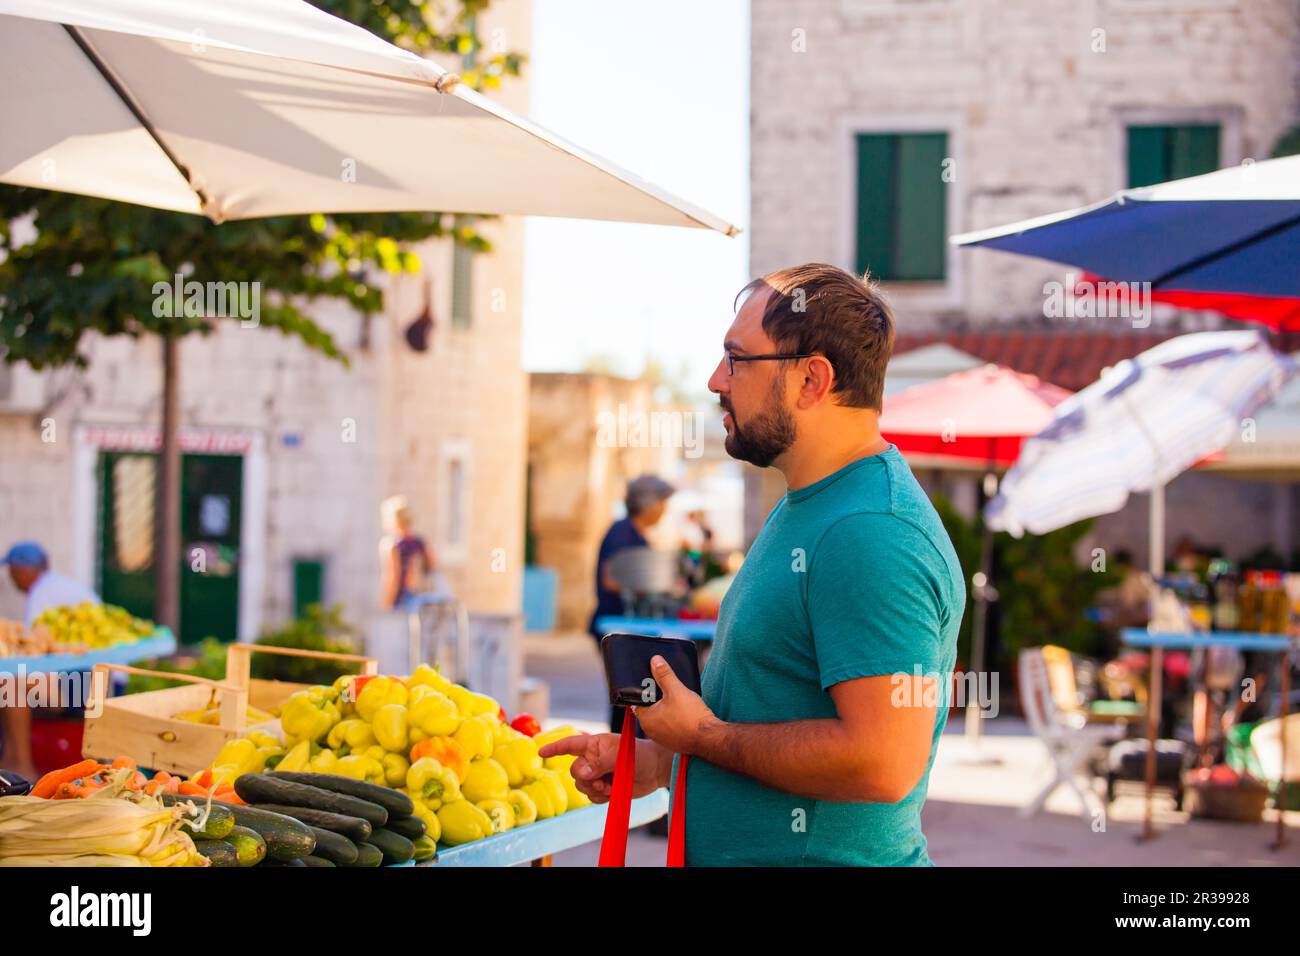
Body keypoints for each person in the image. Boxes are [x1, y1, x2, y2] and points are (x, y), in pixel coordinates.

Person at [543, 264, 965, 866]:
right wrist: (665, 763)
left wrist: (703, 736)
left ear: (812, 380)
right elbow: (777, 717)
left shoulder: (870, 533)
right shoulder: (812, 506)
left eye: (737, 359)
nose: (717, 380)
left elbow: (882, 762)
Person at [1, 542, 100, 780]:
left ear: (23, 570)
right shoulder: (60, 585)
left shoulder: (42, 592)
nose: (12, 581)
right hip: (91, 679)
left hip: (85, 684)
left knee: (12, 683)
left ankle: (22, 765)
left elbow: (33, 647)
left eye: (12, 573)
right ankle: (12, 759)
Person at [588, 474, 675, 732]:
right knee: (626, 696)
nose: (664, 509)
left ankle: (627, 756)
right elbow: (610, 580)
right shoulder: (622, 533)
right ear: (649, 504)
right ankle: (621, 757)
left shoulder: (634, 533)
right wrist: (650, 585)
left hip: (627, 626)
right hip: (615, 625)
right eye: (662, 502)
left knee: (632, 697)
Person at [381, 500, 437, 611]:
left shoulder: (394, 545)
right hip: (421, 599)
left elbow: (394, 578)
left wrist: (387, 605)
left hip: (402, 599)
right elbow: (433, 566)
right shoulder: (420, 543)